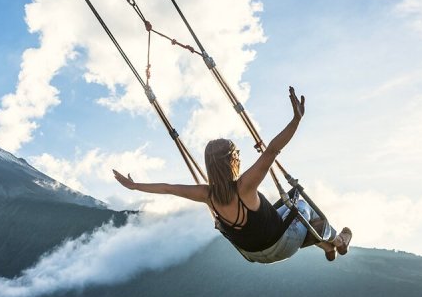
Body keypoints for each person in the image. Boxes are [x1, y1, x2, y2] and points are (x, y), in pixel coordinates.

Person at [113, 87, 352, 263]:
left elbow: (167, 188)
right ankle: (337, 241)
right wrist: (296, 120)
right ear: (232, 161)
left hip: (252, 253)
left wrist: (134, 186)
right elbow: (273, 150)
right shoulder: (245, 185)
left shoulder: (206, 194)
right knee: (300, 204)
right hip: (281, 245)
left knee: (288, 209)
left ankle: (326, 247)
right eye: (236, 154)